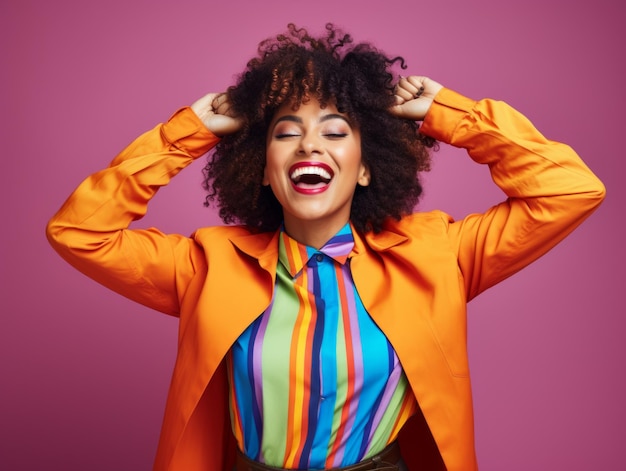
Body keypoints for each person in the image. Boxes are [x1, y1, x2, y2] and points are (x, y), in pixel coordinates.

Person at [46, 23, 605, 471]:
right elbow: (80, 232)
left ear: (365, 169)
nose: (310, 142)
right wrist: (188, 130)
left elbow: (569, 190)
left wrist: (448, 114)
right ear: (263, 170)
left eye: (335, 131)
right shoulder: (205, 264)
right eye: (286, 132)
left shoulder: (442, 254)